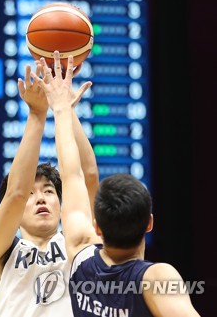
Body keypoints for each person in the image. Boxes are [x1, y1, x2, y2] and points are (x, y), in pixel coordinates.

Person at [33, 50, 200, 316]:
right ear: (149, 223)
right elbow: (82, 176)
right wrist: (65, 109)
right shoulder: (155, 278)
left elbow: (75, 175)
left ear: (97, 227)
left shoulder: (80, 254)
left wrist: (62, 110)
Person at [0, 58, 97, 316]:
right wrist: (36, 113)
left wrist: (64, 107)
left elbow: (87, 177)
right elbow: (16, 194)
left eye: (49, 191)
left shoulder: (78, 243)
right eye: (32, 194)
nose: (40, 198)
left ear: (61, 203)